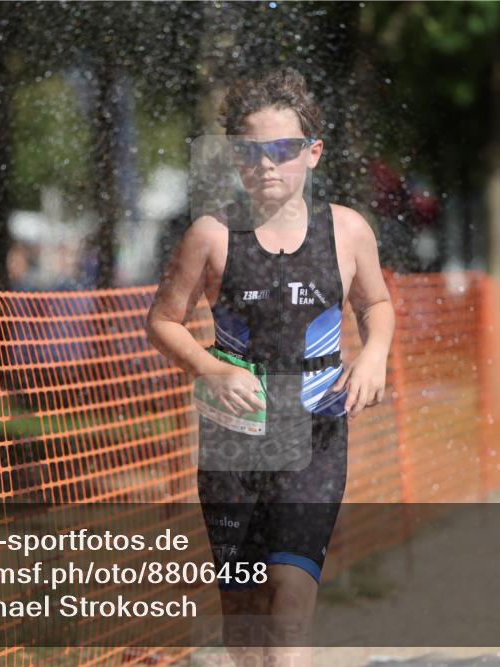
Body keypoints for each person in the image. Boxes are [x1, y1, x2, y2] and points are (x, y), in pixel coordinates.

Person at [146, 66, 395, 667]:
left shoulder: (348, 230)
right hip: (234, 442)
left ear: (312, 153)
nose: (267, 165)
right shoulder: (210, 236)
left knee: (289, 603)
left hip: (315, 432)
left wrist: (374, 355)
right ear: (234, 158)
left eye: (282, 150)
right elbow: (162, 321)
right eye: (250, 152)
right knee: (245, 612)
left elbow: (376, 303)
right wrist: (211, 369)